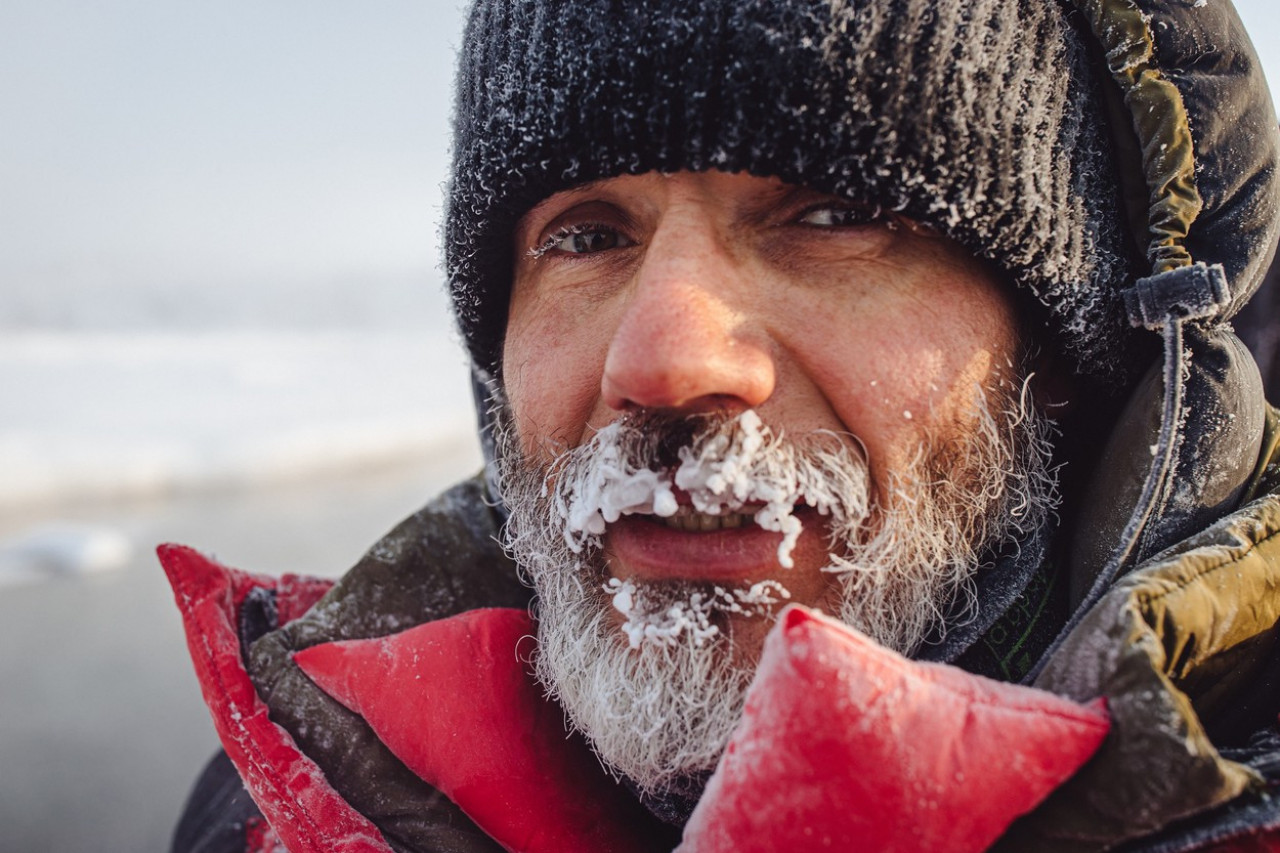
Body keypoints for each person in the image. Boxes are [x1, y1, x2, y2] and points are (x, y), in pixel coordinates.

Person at [164, 0, 1280, 851]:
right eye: (586, 235)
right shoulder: (286, 791)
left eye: (832, 215)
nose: (660, 359)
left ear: (1071, 352)